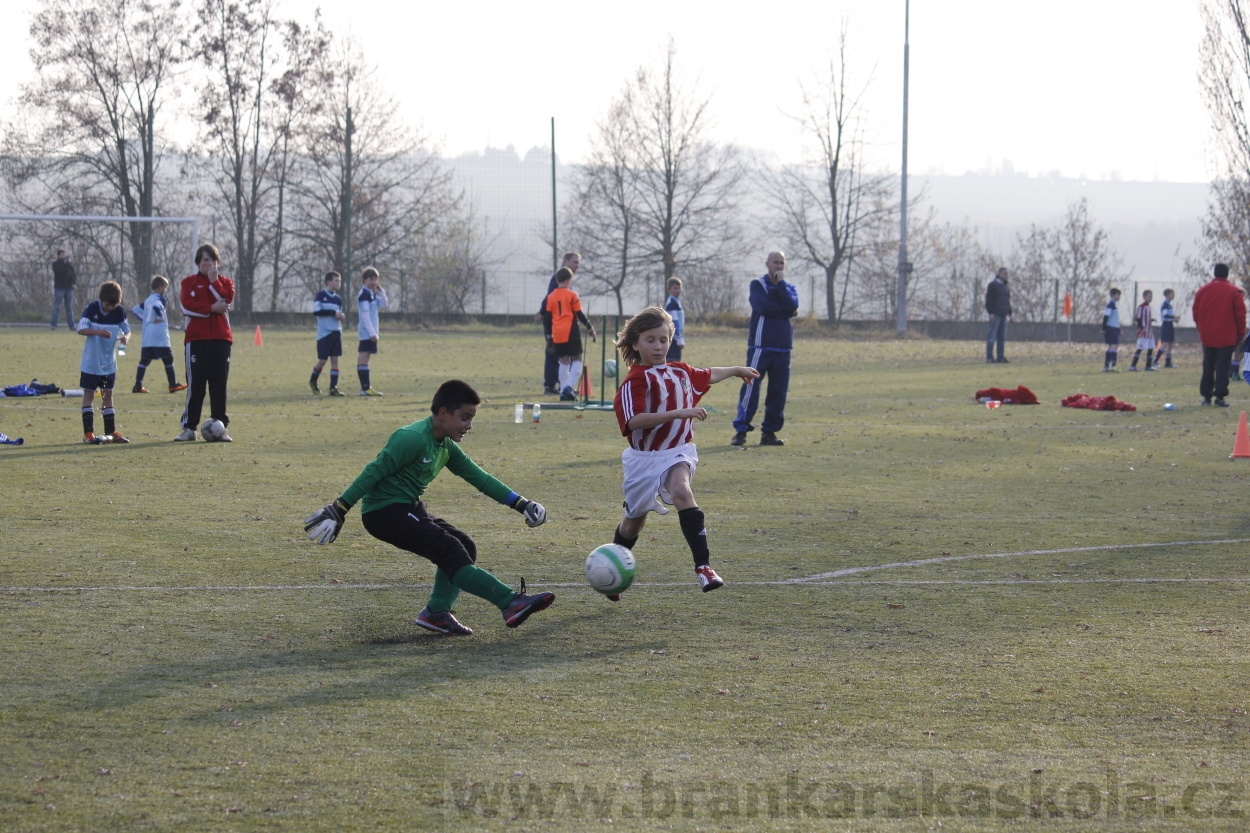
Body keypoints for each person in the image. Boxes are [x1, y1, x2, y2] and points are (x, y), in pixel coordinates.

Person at [302, 379, 555, 635]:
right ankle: (509, 602)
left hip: (408, 507)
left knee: (464, 545)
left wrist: (521, 504)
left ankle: (437, 612)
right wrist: (340, 507)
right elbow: (373, 472)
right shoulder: (411, 437)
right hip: (384, 513)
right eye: (464, 418)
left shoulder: (446, 446)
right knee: (451, 550)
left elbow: (481, 478)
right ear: (444, 414)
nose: (469, 425)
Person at [610, 306, 759, 596]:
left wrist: (735, 371)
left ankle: (704, 567)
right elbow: (634, 421)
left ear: (671, 340)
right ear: (636, 344)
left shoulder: (679, 370)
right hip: (643, 460)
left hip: (678, 451)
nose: (658, 346)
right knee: (632, 524)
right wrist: (680, 412)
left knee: (681, 490)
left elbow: (707, 375)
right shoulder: (635, 381)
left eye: (664, 339)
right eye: (651, 340)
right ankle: (613, 569)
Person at [732, 251, 798, 447]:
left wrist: (781, 287)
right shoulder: (758, 285)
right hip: (760, 347)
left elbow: (792, 304)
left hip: (783, 348)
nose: (778, 266)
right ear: (767, 263)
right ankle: (741, 431)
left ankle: (769, 433)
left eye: (781, 263)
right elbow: (764, 307)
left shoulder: (788, 287)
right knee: (751, 387)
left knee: (778, 392)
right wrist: (787, 311)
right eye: (775, 262)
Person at [175, 244, 234, 442]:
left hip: (221, 339)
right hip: (196, 340)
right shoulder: (188, 283)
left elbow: (225, 300)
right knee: (196, 385)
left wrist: (213, 282)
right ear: (198, 263)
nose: (209, 264)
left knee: (219, 384)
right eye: (205, 260)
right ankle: (189, 428)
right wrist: (210, 308)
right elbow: (186, 306)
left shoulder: (225, 282)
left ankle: (220, 427)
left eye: (212, 260)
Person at [77, 280, 131, 444]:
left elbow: (126, 330)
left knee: (108, 395)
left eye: (114, 305)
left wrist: (125, 339)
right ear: (102, 300)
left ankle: (110, 432)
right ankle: (88, 434)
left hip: (108, 364)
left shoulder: (119, 311)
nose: (111, 308)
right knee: (89, 394)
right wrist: (98, 332)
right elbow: (80, 328)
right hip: (91, 363)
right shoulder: (92, 308)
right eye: (108, 305)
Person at [1192, 263, 1247, 407]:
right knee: (1223, 367)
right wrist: (1240, 333)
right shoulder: (1234, 292)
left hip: (1208, 335)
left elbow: (1196, 312)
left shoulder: (1203, 290)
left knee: (1208, 366)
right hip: (1227, 336)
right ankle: (1220, 397)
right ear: (1227, 274)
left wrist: (1201, 328)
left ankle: (1206, 396)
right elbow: (1240, 315)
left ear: (1214, 273)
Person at [542, 266, 596, 401]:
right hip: (570, 330)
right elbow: (579, 313)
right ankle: (568, 387)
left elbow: (547, 318)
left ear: (557, 279)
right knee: (577, 358)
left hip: (557, 332)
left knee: (564, 360)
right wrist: (590, 327)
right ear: (569, 281)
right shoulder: (572, 295)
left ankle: (563, 393)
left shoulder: (551, 296)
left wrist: (549, 335)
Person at [130, 275, 187, 394]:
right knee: (168, 359)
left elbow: (135, 309)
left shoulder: (148, 300)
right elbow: (157, 307)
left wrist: (146, 319)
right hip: (159, 336)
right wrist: (160, 316)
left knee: (144, 361)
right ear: (160, 287)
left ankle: (137, 385)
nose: (165, 290)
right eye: (165, 287)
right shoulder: (160, 299)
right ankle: (172, 385)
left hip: (147, 336)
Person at [537, 252, 582, 395]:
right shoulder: (559, 278)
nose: (577, 265)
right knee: (553, 353)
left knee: (563, 354)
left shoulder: (566, 278)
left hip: (564, 324)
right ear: (566, 261)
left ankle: (564, 387)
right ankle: (550, 385)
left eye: (578, 263)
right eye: (575, 262)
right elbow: (551, 297)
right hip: (556, 323)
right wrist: (543, 312)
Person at [310, 271, 346, 396]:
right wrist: (332, 313)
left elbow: (338, 312)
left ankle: (333, 388)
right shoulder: (321, 295)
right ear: (328, 282)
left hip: (336, 332)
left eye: (340, 281)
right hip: (324, 334)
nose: (339, 283)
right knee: (322, 360)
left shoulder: (338, 299)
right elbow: (316, 311)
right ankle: (313, 381)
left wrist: (341, 316)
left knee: (335, 360)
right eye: (336, 280)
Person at [356, 266, 388, 396]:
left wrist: (382, 291)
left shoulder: (372, 294)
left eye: (375, 279)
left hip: (371, 331)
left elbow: (385, 304)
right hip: (367, 332)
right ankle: (365, 388)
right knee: (364, 358)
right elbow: (365, 315)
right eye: (370, 279)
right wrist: (371, 333)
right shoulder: (364, 294)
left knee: (365, 358)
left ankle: (366, 387)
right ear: (364, 280)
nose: (374, 282)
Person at [984, 267, 1012, 363]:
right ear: (999, 274)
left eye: (1006, 273)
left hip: (1003, 314)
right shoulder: (992, 285)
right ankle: (989, 357)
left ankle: (1000, 356)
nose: (1006, 275)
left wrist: (1010, 313)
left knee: (1001, 337)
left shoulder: (1005, 286)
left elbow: (1007, 301)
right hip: (995, 314)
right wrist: (990, 312)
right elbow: (989, 300)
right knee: (992, 336)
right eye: (1004, 273)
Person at [1129, 289, 1156, 371]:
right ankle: (1132, 366)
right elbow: (1138, 318)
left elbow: (1146, 319)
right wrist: (1142, 328)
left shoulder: (1149, 307)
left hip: (1149, 332)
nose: (1150, 298)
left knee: (1151, 348)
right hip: (1143, 332)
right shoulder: (1141, 307)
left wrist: (1151, 320)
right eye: (1149, 296)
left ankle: (1148, 366)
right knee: (1139, 348)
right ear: (1144, 297)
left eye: (1151, 296)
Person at [50, 249, 77, 330]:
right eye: (62, 255)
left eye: (64, 254)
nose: (64, 256)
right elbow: (59, 271)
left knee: (69, 307)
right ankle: (53, 325)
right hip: (59, 288)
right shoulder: (55, 264)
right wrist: (64, 263)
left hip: (69, 288)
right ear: (58, 256)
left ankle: (71, 325)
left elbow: (73, 275)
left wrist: (74, 283)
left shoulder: (69, 265)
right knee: (57, 307)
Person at [664, 277, 686, 363]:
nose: (678, 290)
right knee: (674, 361)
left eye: (679, 288)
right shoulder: (672, 302)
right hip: (674, 336)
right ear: (669, 289)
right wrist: (679, 338)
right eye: (675, 288)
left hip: (676, 335)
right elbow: (674, 321)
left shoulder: (676, 301)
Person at [1102, 288, 1123, 372]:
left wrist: (1119, 329)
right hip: (1111, 328)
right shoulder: (1111, 305)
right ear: (1113, 295)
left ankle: (1107, 366)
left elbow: (1114, 319)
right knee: (1113, 346)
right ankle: (1112, 365)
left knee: (1111, 346)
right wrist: (1103, 328)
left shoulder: (1113, 305)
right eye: (1118, 294)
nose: (1119, 296)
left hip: (1114, 328)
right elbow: (1106, 316)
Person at [1155, 288, 1176, 369]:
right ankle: (1156, 360)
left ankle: (1168, 362)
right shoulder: (1165, 304)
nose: (1173, 296)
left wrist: (1174, 319)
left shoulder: (1169, 305)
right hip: (1166, 325)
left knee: (1170, 344)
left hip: (1170, 324)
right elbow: (1165, 315)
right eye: (1172, 294)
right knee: (1165, 343)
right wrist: (1174, 317)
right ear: (1167, 295)